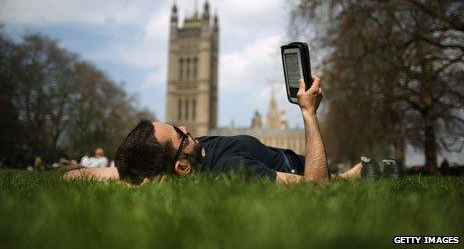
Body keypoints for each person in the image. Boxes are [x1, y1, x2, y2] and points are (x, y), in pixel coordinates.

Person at [64, 76, 362, 184]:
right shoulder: (232, 170)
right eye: (179, 134)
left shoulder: (171, 164)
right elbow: (315, 188)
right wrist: (308, 112)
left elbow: (72, 177)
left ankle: (348, 176)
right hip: (301, 166)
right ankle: (348, 177)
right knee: (351, 174)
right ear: (182, 166)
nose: (185, 126)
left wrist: (132, 174)